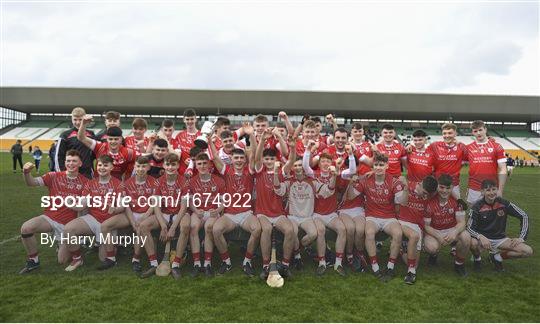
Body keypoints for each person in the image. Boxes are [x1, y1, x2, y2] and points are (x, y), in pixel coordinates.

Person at [18, 150, 88, 274]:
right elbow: (31, 183)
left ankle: (74, 243)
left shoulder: (85, 182)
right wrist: (26, 172)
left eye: (74, 161)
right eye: (68, 161)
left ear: (80, 163)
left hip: (68, 225)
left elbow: (82, 207)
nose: (71, 164)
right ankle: (33, 261)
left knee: (62, 260)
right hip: (50, 218)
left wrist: (70, 203)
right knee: (26, 228)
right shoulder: (53, 176)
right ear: (65, 162)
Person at [347, 152, 408, 281]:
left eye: (381, 165)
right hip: (372, 216)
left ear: (387, 165)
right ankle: (375, 267)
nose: (378, 167)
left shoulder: (394, 181)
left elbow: (403, 202)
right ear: (372, 166)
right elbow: (351, 196)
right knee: (368, 233)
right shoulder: (365, 180)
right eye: (376, 164)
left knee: (398, 234)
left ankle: (390, 267)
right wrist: (351, 183)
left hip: (389, 217)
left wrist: (406, 187)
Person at [209, 128, 262, 277]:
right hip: (230, 213)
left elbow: (256, 156)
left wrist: (251, 134)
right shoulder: (226, 170)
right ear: (231, 159)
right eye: (236, 158)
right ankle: (226, 261)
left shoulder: (250, 170)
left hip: (246, 213)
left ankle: (247, 261)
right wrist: (209, 140)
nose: (239, 160)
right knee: (216, 230)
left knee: (257, 229)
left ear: (244, 160)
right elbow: (214, 157)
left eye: (241, 158)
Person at [97, 156, 160, 272]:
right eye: (138, 166)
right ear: (135, 167)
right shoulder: (125, 183)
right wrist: (132, 221)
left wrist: (144, 216)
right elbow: (126, 206)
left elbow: (154, 204)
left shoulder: (154, 182)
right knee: (105, 226)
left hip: (148, 214)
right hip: (131, 213)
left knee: (141, 227)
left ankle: (136, 259)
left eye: (144, 166)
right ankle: (111, 258)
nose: (141, 169)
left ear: (149, 167)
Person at [63, 155, 125, 272]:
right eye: (100, 165)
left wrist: (115, 209)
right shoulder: (90, 183)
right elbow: (82, 204)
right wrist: (71, 204)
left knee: (103, 259)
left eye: (105, 165)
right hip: (93, 218)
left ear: (112, 167)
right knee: (68, 229)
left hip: (109, 223)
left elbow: (122, 205)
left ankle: (115, 244)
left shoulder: (118, 184)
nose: (102, 168)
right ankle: (77, 259)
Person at [138, 153, 190, 279]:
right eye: (168, 164)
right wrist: (163, 226)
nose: (170, 167)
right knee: (143, 226)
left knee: (186, 226)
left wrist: (172, 228)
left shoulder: (184, 182)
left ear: (178, 165)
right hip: (164, 213)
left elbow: (184, 208)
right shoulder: (158, 182)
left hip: (180, 213)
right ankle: (153, 263)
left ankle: (176, 264)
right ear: (163, 165)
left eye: (173, 164)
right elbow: (156, 206)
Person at [253, 129, 295, 280]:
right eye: (267, 159)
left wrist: (293, 148)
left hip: (278, 213)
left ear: (275, 160)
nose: (268, 161)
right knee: (266, 229)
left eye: (271, 159)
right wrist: (263, 140)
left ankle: (284, 265)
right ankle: (266, 265)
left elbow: (290, 161)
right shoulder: (259, 170)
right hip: (263, 212)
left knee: (290, 230)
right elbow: (257, 158)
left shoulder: (281, 171)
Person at [468, 179, 532, 272]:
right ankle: (477, 259)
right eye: (488, 190)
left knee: (527, 251)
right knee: (472, 243)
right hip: (482, 239)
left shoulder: (503, 203)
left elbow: (523, 215)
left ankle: (497, 257)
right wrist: (480, 236)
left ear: (497, 190)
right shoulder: (477, 206)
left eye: (494, 189)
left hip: (500, 239)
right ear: (482, 192)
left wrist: (521, 238)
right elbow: (469, 227)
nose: (491, 193)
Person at [423, 174, 471, 277]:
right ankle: (433, 255)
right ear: (437, 186)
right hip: (435, 230)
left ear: (452, 188)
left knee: (466, 237)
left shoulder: (457, 202)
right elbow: (426, 226)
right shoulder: (429, 202)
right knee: (431, 247)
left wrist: (454, 232)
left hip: (452, 230)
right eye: (441, 187)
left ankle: (459, 264)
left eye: (448, 188)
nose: (444, 191)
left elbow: (462, 222)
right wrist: (438, 235)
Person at [187, 153, 226, 277]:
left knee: (209, 228)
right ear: (196, 166)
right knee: (193, 227)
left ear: (209, 164)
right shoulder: (192, 181)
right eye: (199, 164)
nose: (202, 166)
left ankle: (207, 263)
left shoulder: (218, 180)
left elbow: (224, 201)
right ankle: (197, 263)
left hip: (213, 212)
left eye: (205, 163)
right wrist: (196, 210)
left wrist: (218, 210)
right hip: (198, 211)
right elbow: (190, 201)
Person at [397, 175, 438, 284]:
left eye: (427, 194)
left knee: (415, 264)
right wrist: (405, 186)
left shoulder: (430, 194)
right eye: (424, 192)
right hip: (402, 222)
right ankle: (411, 272)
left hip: (417, 226)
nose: (425, 196)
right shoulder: (407, 185)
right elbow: (403, 202)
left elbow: (444, 188)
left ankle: (401, 250)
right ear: (419, 183)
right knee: (414, 236)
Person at [78, 114, 138, 180]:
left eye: (116, 139)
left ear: (121, 139)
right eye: (110, 139)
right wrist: (83, 124)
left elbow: (142, 161)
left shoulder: (130, 153)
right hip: (99, 184)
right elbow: (81, 138)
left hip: (119, 185)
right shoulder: (99, 147)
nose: (113, 142)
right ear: (107, 139)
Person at [465, 120, 507, 205]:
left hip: (491, 188)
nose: (478, 133)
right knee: (474, 215)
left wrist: (500, 190)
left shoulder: (497, 146)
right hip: (474, 189)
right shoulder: (468, 148)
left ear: (485, 130)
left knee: (492, 215)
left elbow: (503, 169)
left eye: (480, 130)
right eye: (475, 131)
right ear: (472, 133)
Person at [427, 123, 466, 199]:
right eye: (444, 133)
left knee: (458, 207)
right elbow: (421, 151)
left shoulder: (461, 147)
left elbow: (474, 155)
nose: (447, 136)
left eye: (450, 133)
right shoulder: (435, 145)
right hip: (437, 184)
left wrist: (490, 141)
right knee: (434, 207)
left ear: (455, 134)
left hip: (453, 185)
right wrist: (410, 146)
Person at [55, 107, 96, 178]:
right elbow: (58, 156)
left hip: (87, 173)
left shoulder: (91, 134)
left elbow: (94, 153)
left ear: (84, 119)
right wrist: (61, 174)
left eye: (80, 119)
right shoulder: (65, 135)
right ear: (71, 119)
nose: (77, 122)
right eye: (75, 120)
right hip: (71, 173)